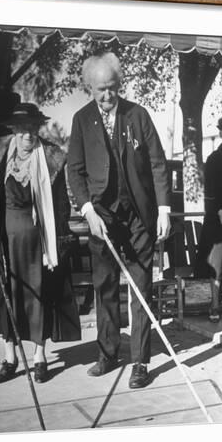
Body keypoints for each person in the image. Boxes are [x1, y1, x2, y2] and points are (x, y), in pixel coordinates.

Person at [67, 52, 171, 389]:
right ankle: (108, 353)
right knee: (106, 286)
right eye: (100, 90)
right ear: (90, 89)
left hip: (139, 216)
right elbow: (75, 170)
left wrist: (164, 211)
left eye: (112, 88)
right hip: (101, 217)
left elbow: (157, 163)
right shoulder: (82, 120)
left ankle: (140, 361)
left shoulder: (137, 115)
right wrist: (86, 210)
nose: (108, 95)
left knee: (141, 289)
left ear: (118, 85)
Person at [0, 103, 81, 384]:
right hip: (4, 245)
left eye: (32, 129)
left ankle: (39, 357)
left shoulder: (52, 160)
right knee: (9, 299)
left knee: (38, 298)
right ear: (14, 131)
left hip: (39, 247)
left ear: (37, 130)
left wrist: (59, 242)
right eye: (22, 130)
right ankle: (10, 358)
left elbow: (62, 207)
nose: (28, 135)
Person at [196, 115, 222, 321]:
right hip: (217, 218)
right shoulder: (213, 160)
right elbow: (209, 192)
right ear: (221, 134)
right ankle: (214, 306)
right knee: (217, 264)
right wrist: (219, 211)